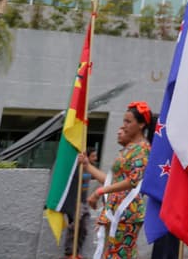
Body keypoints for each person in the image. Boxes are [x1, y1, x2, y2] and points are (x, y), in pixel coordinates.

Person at [79, 102, 153, 259]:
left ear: (141, 124)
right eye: (124, 121)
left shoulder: (142, 149)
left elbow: (133, 181)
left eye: (128, 122)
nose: (124, 126)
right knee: (113, 254)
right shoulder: (129, 148)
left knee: (119, 255)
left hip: (128, 211)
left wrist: (100, 192)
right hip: (116, 209)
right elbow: (111, 182)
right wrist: (87, 166)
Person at [62, 147, 99, 259]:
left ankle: (76, 252)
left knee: (83, 228)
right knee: (74, 227)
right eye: (93, 156)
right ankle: (69, 253)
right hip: (75, 202)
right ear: (87, 156)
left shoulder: (90, 169)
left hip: (83, 202)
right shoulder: (78, 168)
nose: (96, 158)